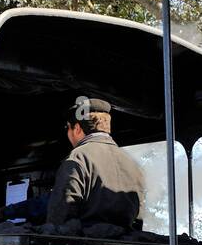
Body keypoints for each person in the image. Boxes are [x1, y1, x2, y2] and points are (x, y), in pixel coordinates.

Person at [45, 97, 143, 228]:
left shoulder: (78, 157)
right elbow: (138, 213)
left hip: (86, 244)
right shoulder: (130, 161)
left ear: (77, 128)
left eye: (68, 128)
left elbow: (60, 214)